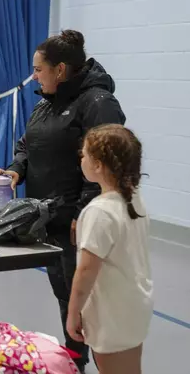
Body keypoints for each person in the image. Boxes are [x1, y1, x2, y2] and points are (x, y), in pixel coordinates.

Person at [0, 29, 126, 372]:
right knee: (69, 304)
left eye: (38, 69)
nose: (34, 76)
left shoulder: (97, 103)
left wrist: (82, 215)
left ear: (61, 70)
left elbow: (107, 165)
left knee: (91, 309)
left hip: (78, 224)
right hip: (49, 222)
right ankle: (75, 365)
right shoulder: (44, 104)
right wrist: (15, 171)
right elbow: (26, 146)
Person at [67, 124, 152, 374]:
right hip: (133, 305)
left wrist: (73, 314)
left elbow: (85, 273)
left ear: (98, 165)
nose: (81, 158)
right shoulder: (133, 198)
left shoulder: (99, 212)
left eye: (84, 154)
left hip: (112, 314)